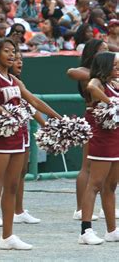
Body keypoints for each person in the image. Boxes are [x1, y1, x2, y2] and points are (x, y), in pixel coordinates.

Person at [0, 38, 61, 252]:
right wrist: (0, 110)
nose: (11, 55)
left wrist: (57, 118)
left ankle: (7, 236)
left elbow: (34, 102)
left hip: (18, 136)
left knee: (12, 186)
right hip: (0, 137)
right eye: (6, 51)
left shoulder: (14, 80)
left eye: (14, 51)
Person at [0, 50, 43, 227]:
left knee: (20, 173)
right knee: (1, 175)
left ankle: (18, 210)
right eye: (15, 59)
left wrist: (47, 124)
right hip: (4, 132)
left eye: (21, 59)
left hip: (21, 131)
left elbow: (32, 106)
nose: (19, 62)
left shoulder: (18, 83)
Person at [78, 51, 119, 245]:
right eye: (115, 64)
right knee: (94, 184)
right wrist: (111, 102)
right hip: (102, 142)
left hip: (116, 141)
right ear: (105, 66)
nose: (118, 67)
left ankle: (112, 230)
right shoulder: (98, 83)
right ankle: (85, 231)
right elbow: (90, 86)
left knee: (110, 186)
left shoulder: (114, 84)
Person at [67, 38, 109, 221]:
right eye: (102, 50)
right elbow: (71, 72)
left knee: (108, 165)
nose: (106, 53)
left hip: (109, 120)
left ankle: (106, 206)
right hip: (93, 118)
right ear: (93, 53)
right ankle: (79, 208)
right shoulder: (88, 73)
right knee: (88, 166)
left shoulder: (108, 74)